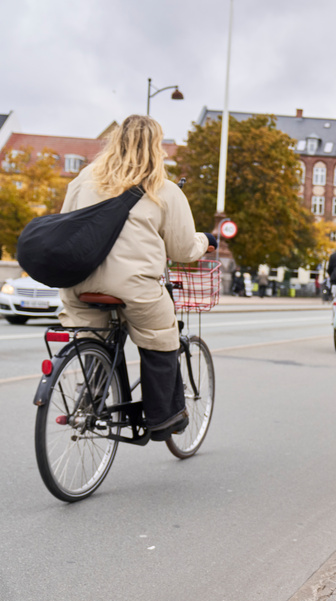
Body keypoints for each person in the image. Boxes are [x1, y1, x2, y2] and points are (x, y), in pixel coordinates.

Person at [58, 115, 215, 441]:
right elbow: (184, 248)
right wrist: (205, 240)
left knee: (96, 337)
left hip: (79, 281)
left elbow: (65, 222)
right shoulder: (164, 189)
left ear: (115, 142)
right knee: (161, 335)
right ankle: (162, 419)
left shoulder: (84, 179)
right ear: (156, 147)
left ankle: (91, 397)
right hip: (133, 287)